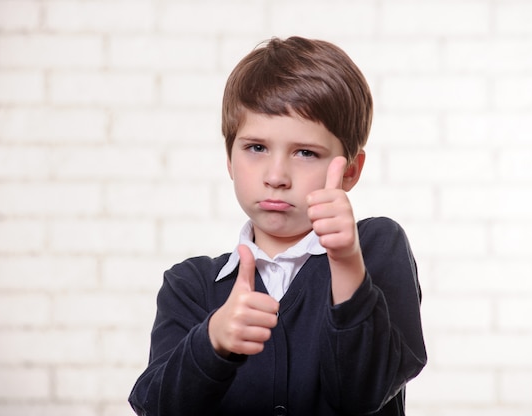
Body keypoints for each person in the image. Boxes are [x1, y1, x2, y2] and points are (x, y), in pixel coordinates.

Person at [129, 36, 427, 416]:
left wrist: (347, 263)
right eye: (256, 148)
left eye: (305, 153)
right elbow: (155, 407)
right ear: (229, 160)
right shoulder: (190, 284)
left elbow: (363, 393)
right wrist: (212, 340)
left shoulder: (376, 248)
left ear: (350, 171)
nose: (276, 176)